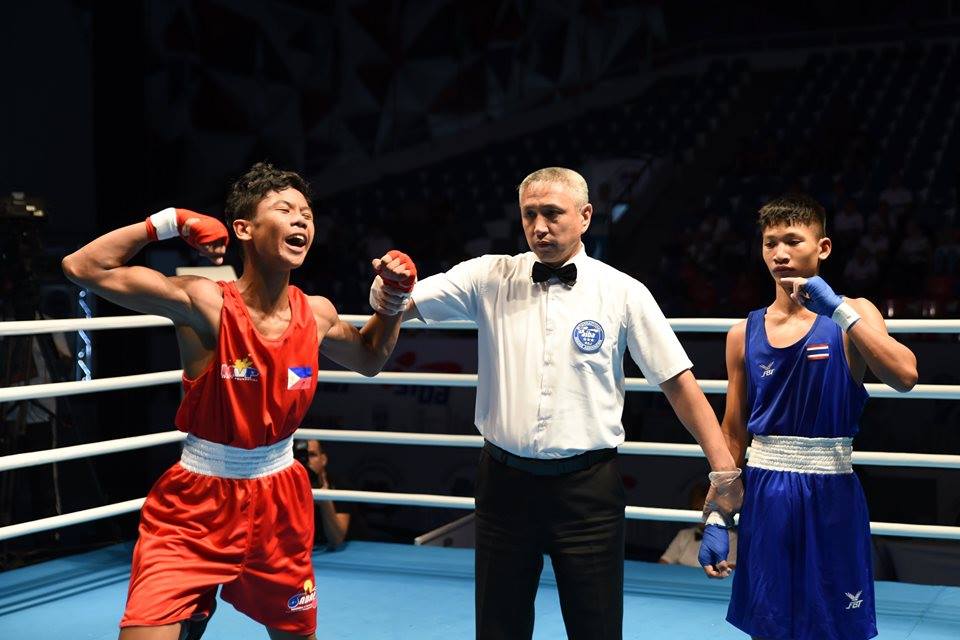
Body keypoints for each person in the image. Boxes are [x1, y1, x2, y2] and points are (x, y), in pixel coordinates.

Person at [369, 167, 743, 639]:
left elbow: (678, 383)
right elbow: (399, 302)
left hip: (587, 491)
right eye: (530, 214)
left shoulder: (622, 291)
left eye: (552, 213)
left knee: (596, 629)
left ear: (585, 217)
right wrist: (392, 282)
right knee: (498, 629)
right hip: (504, 486)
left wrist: (724, 472)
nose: (540, 226)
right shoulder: (490, 275)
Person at [62, 162, 416, 640]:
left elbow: (371, 358)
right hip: (194, 506)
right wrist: (165, 223)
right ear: (244, 229)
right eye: (285, 209)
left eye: (307, 213)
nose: (301, 220)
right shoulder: (204, 302)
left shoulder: (316, 313)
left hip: (280, 501)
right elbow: (82, 267)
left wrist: (391, 304)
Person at [703, 193, 918, 640]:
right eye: (769, 243)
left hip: (832, 489)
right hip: (766, 491)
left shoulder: (855, 312)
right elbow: (733, 429)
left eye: (792, 241)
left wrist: (840, 311)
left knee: (837, 623)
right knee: (770, 622)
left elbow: (905, 375)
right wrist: (717, 515)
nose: (779, 254)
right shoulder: (742, 333)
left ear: (822, 248)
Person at [659, 482, 738, 569]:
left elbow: (731, 570)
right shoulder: (683, 535)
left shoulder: (730, 538)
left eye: (707, 510)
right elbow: (664, 563)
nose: (702, 515)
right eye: (697, 509)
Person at [295, 439, 354, 549]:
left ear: (323, 459)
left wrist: (325, 500)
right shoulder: (287, 486)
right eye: (301, 455)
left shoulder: (339, 486)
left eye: (312, 455)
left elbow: (336, 540)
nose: (306, 460)